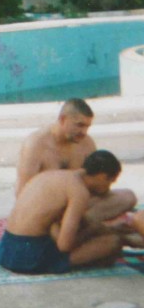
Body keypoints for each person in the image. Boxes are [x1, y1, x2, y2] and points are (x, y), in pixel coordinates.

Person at [0, 150, 142, 274]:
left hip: (5, 250)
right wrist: (94, 229)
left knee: (96, 231)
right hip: (27, 259)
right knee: (113, 242)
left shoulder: (55, 175)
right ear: (103, 176)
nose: (109, 188)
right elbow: (64, 245)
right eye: (110, 182)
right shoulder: (78, 191)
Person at [15, 98, 136, 232]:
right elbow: (22, 194)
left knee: (128, 197)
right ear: (62, 119)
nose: (84, 132)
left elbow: (95, 182)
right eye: (79, 125)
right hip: (51, 210)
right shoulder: (36, 145)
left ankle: (80, 222)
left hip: (79, 204)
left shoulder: (86, 143)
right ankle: (79, 224)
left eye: (87, 126)